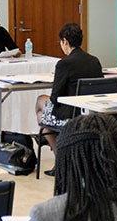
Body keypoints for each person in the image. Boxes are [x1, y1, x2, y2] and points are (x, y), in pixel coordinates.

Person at [35, 22, 103, 172]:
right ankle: (64, 151)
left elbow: (55, 96)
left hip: (71, 115)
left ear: (65, 41)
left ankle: (61, 161)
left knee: (42, 110)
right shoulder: (94, 61)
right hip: (91, 113)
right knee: (44, 112)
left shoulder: (64, 64)